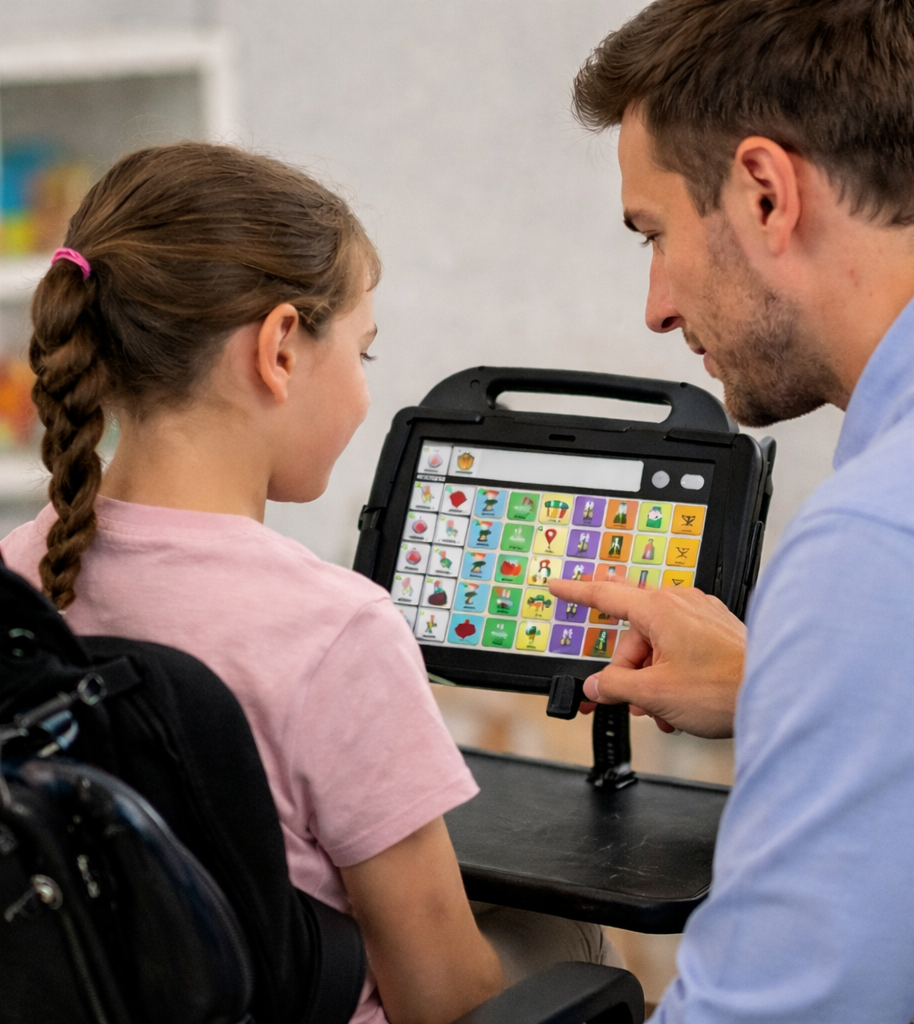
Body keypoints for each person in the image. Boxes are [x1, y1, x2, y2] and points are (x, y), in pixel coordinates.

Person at [0, 143, 615, 1024]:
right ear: (282, 346)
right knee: (561, 941)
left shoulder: (17, 580)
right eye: (364, 352)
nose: (366, 394)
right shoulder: (335, 630)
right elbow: (440, 997)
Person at [548, 2, 914, 1022]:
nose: (657, 306)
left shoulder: (890, 542)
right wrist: (787, 686)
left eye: (657, 235)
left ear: (765, 193)